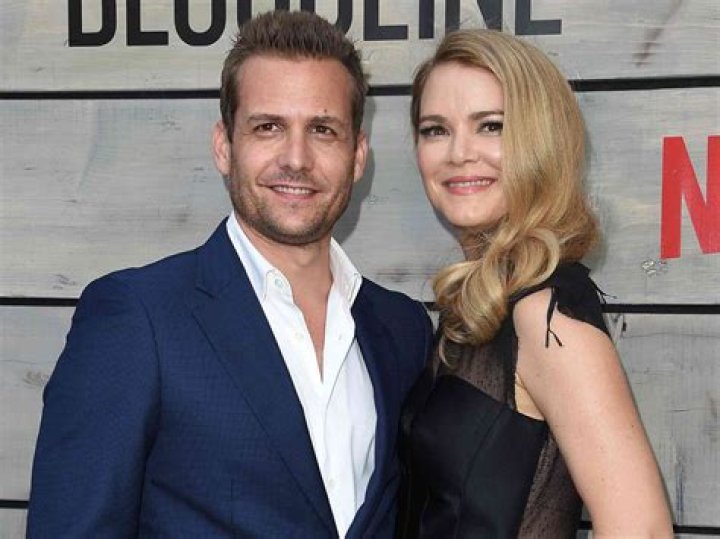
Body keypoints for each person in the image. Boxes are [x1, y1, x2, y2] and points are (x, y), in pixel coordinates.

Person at [27, 10, 432, 538]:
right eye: (268, 127)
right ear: (224, 146)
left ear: (357, 155)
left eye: (323, 130)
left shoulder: (402, 329)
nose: (296, 159)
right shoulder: (138, 319)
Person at [397, 29, 674, 538]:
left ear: (540, 140)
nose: (459, 152)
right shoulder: (486, 306)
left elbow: (643, 530)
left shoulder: (544, 313)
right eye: (435, 129)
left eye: (491, 126)